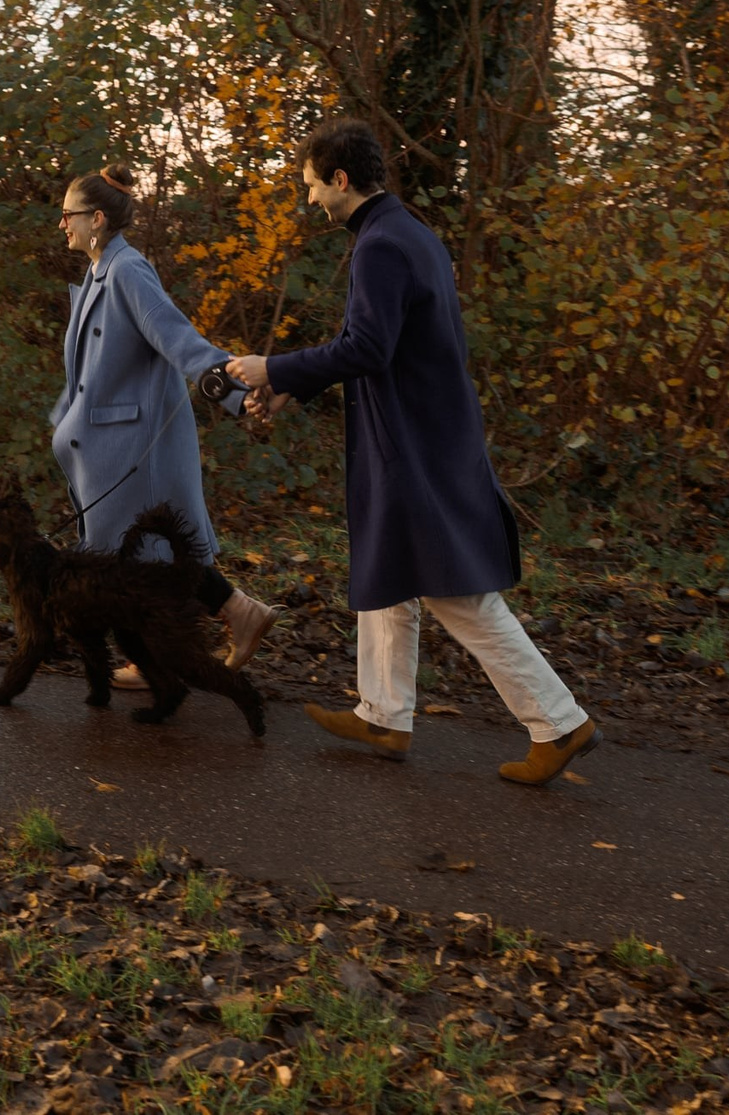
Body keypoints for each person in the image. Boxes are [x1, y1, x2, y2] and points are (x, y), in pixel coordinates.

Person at [227, 119, 598, 785]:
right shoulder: (409, 233)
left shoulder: (380, 246)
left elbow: (368, 348)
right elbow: (377, 343)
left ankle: (558, 722)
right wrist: (290, 388)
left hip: (413, 443)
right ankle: (383, 712)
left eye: (312, 186)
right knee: (389, 564)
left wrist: (272, 367)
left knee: (455, 592)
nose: (310, 200)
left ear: (340, 180)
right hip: (422, 431)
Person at [54, 165, 280, 674]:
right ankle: (236, 616)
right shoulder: (99, 272)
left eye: (67, 214)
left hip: (134, 445)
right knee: (144, 555)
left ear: (96, 218)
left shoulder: (128, 270)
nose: (61, 224)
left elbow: (177, 338)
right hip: (108, 443)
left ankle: (161, 655)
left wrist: (236, 389)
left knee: (134, 558)